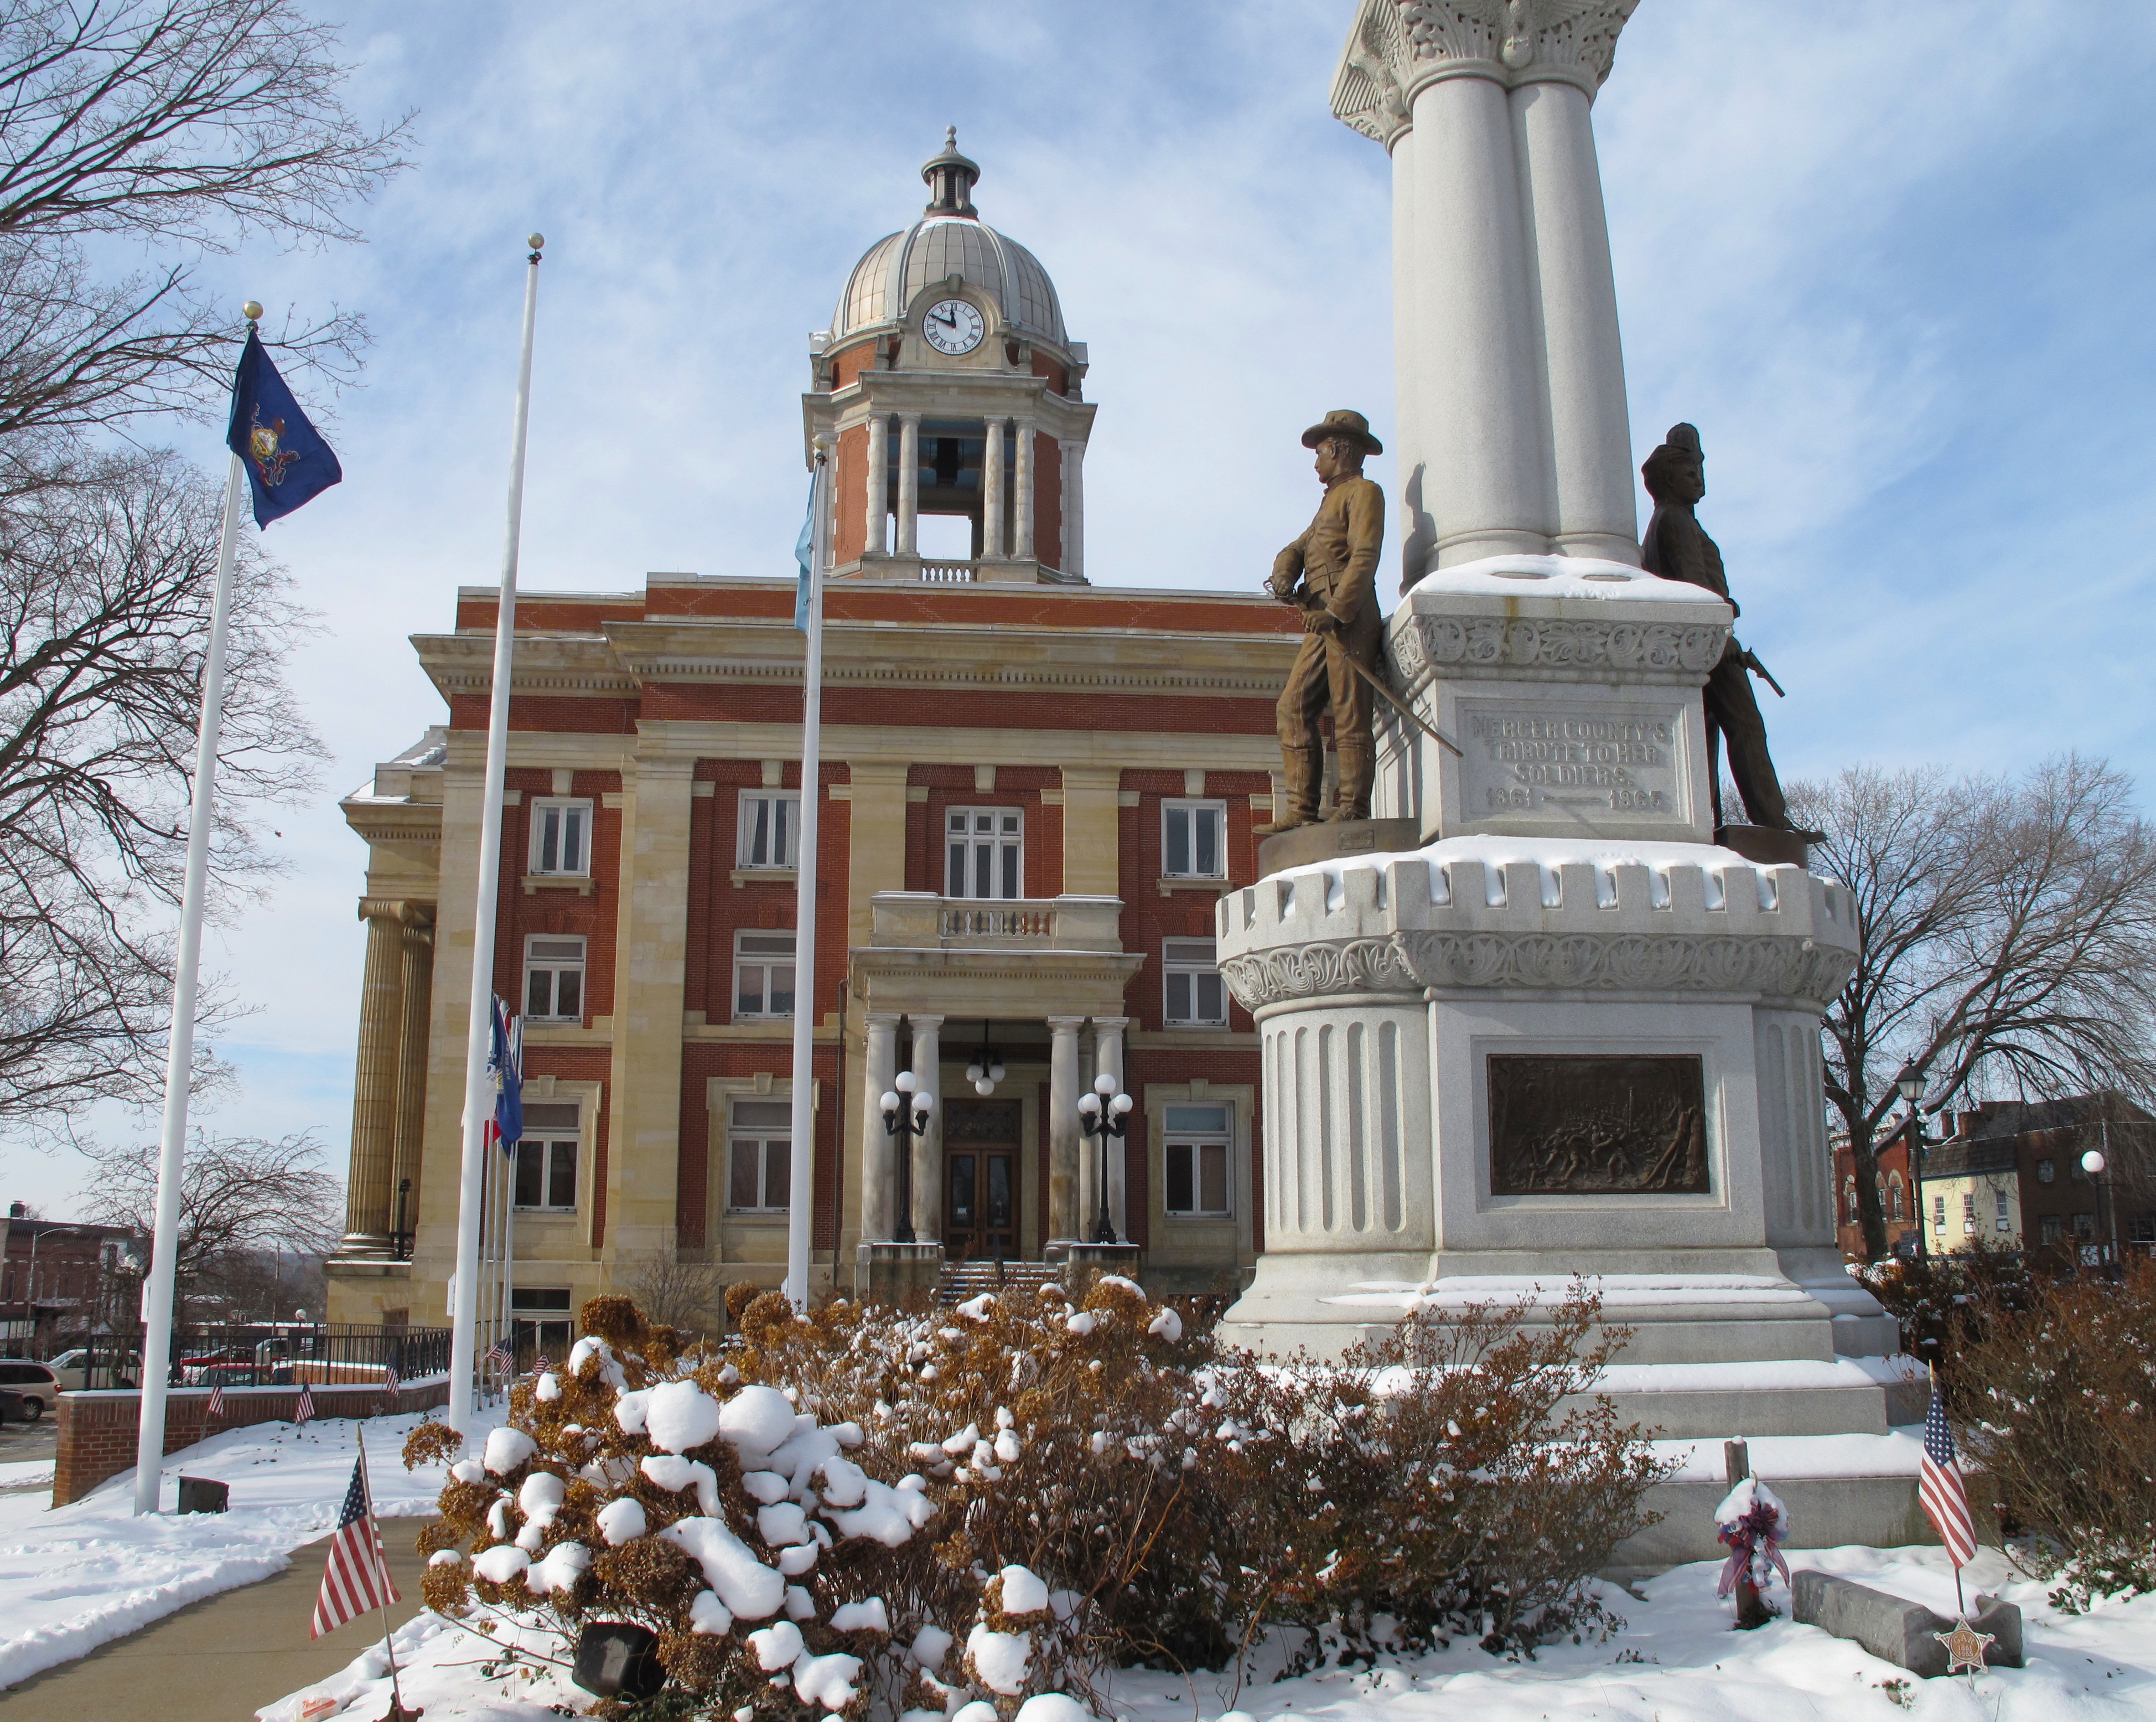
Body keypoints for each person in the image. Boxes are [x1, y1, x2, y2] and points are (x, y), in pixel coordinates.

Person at [1639, 423, 1821, 840]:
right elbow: (1696, 590)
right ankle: (1772, 821)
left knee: (1706, 735)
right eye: (1690, 473)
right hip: (1708, 643)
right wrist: (1726, 640)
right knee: (1746, 726)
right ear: (1670, 480)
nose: (1699, 480)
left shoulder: (1673, 520)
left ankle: (1708, 819)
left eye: (1700, 471)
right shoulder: (1676, 521)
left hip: (1698, 642)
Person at [1267, 409, 1386, 828]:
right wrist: (1285, 576)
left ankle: (1354, 807)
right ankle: (1302, 810)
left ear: (1337, 451)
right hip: (1321, 617)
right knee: (1293, 706)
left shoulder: (1364, 493)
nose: (1316, 462)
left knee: (1350, 714)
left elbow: (1365, 557)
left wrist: (1336, 612)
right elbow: (1295, 550)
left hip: (1348, 616)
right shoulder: (1328, 504)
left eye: (1320, 453)